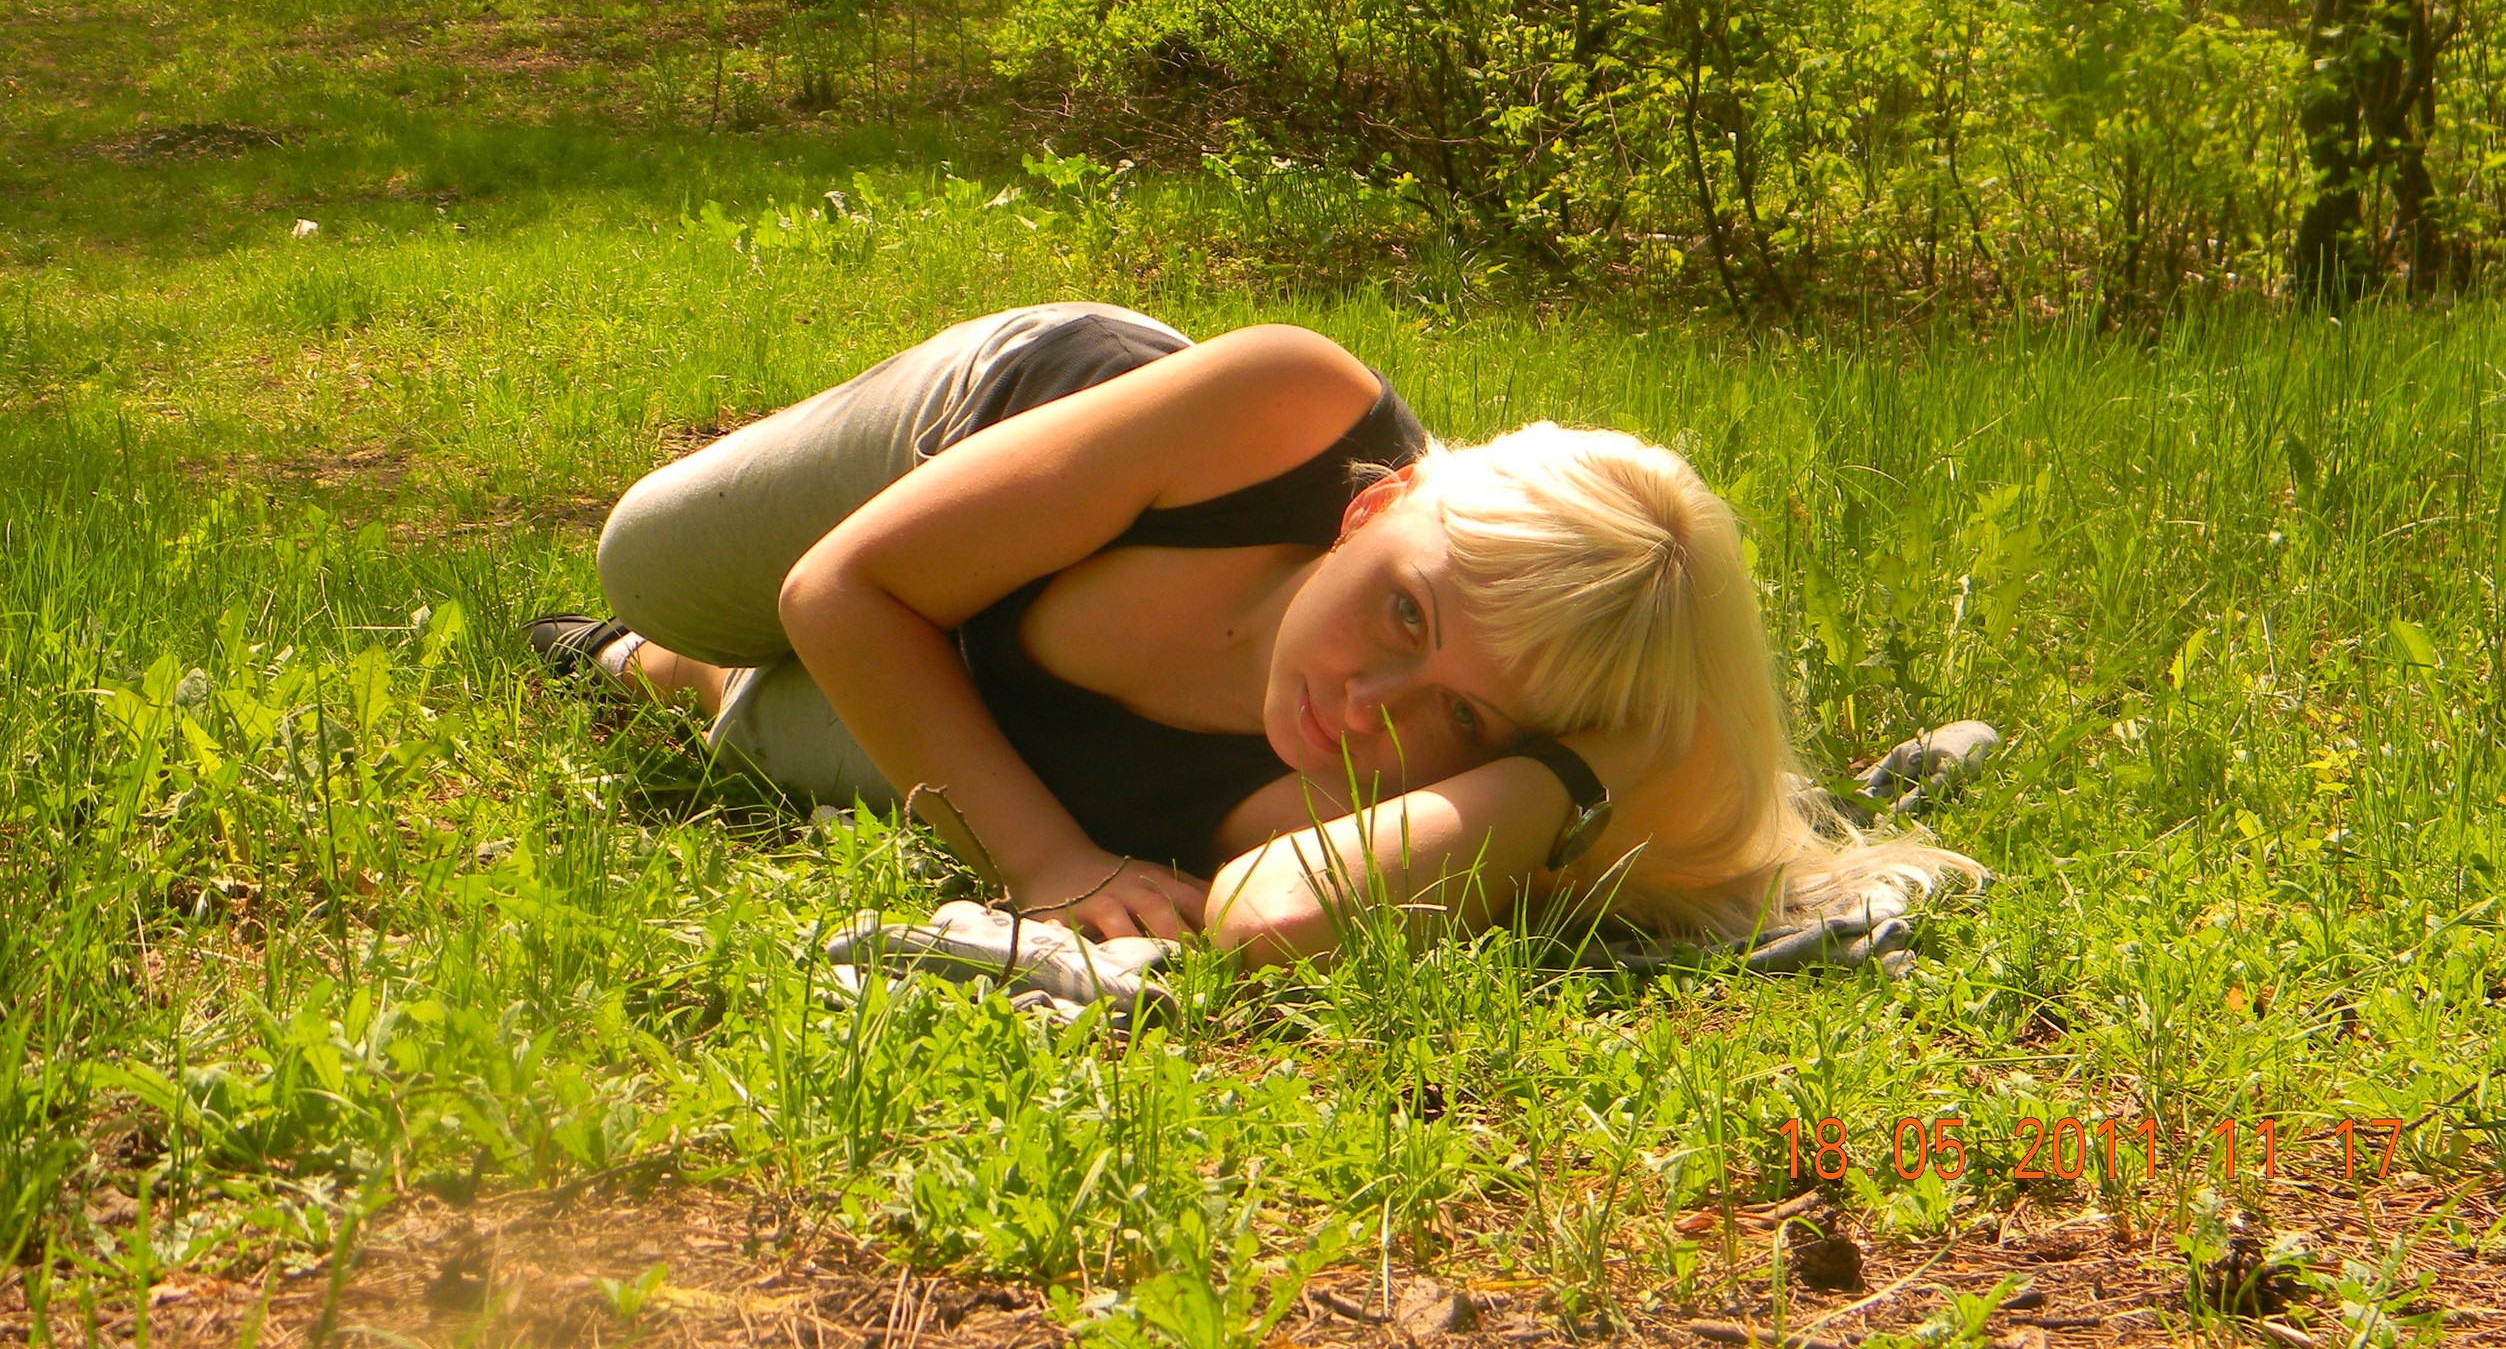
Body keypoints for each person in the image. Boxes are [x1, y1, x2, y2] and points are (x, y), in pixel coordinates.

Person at [527, 303, 1967, 962]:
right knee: (653, 568)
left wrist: (1579, 773)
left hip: (984, 695)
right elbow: (840, 591)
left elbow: (1276, 913)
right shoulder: (1285, 404)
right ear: (1379, 502)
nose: (1375, 707)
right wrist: (1050, 864)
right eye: (1405, 611)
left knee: (750, 716)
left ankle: (644, 668)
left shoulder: (1378, 795)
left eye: (1468, 715)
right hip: (967, 444)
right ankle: (662, 632)